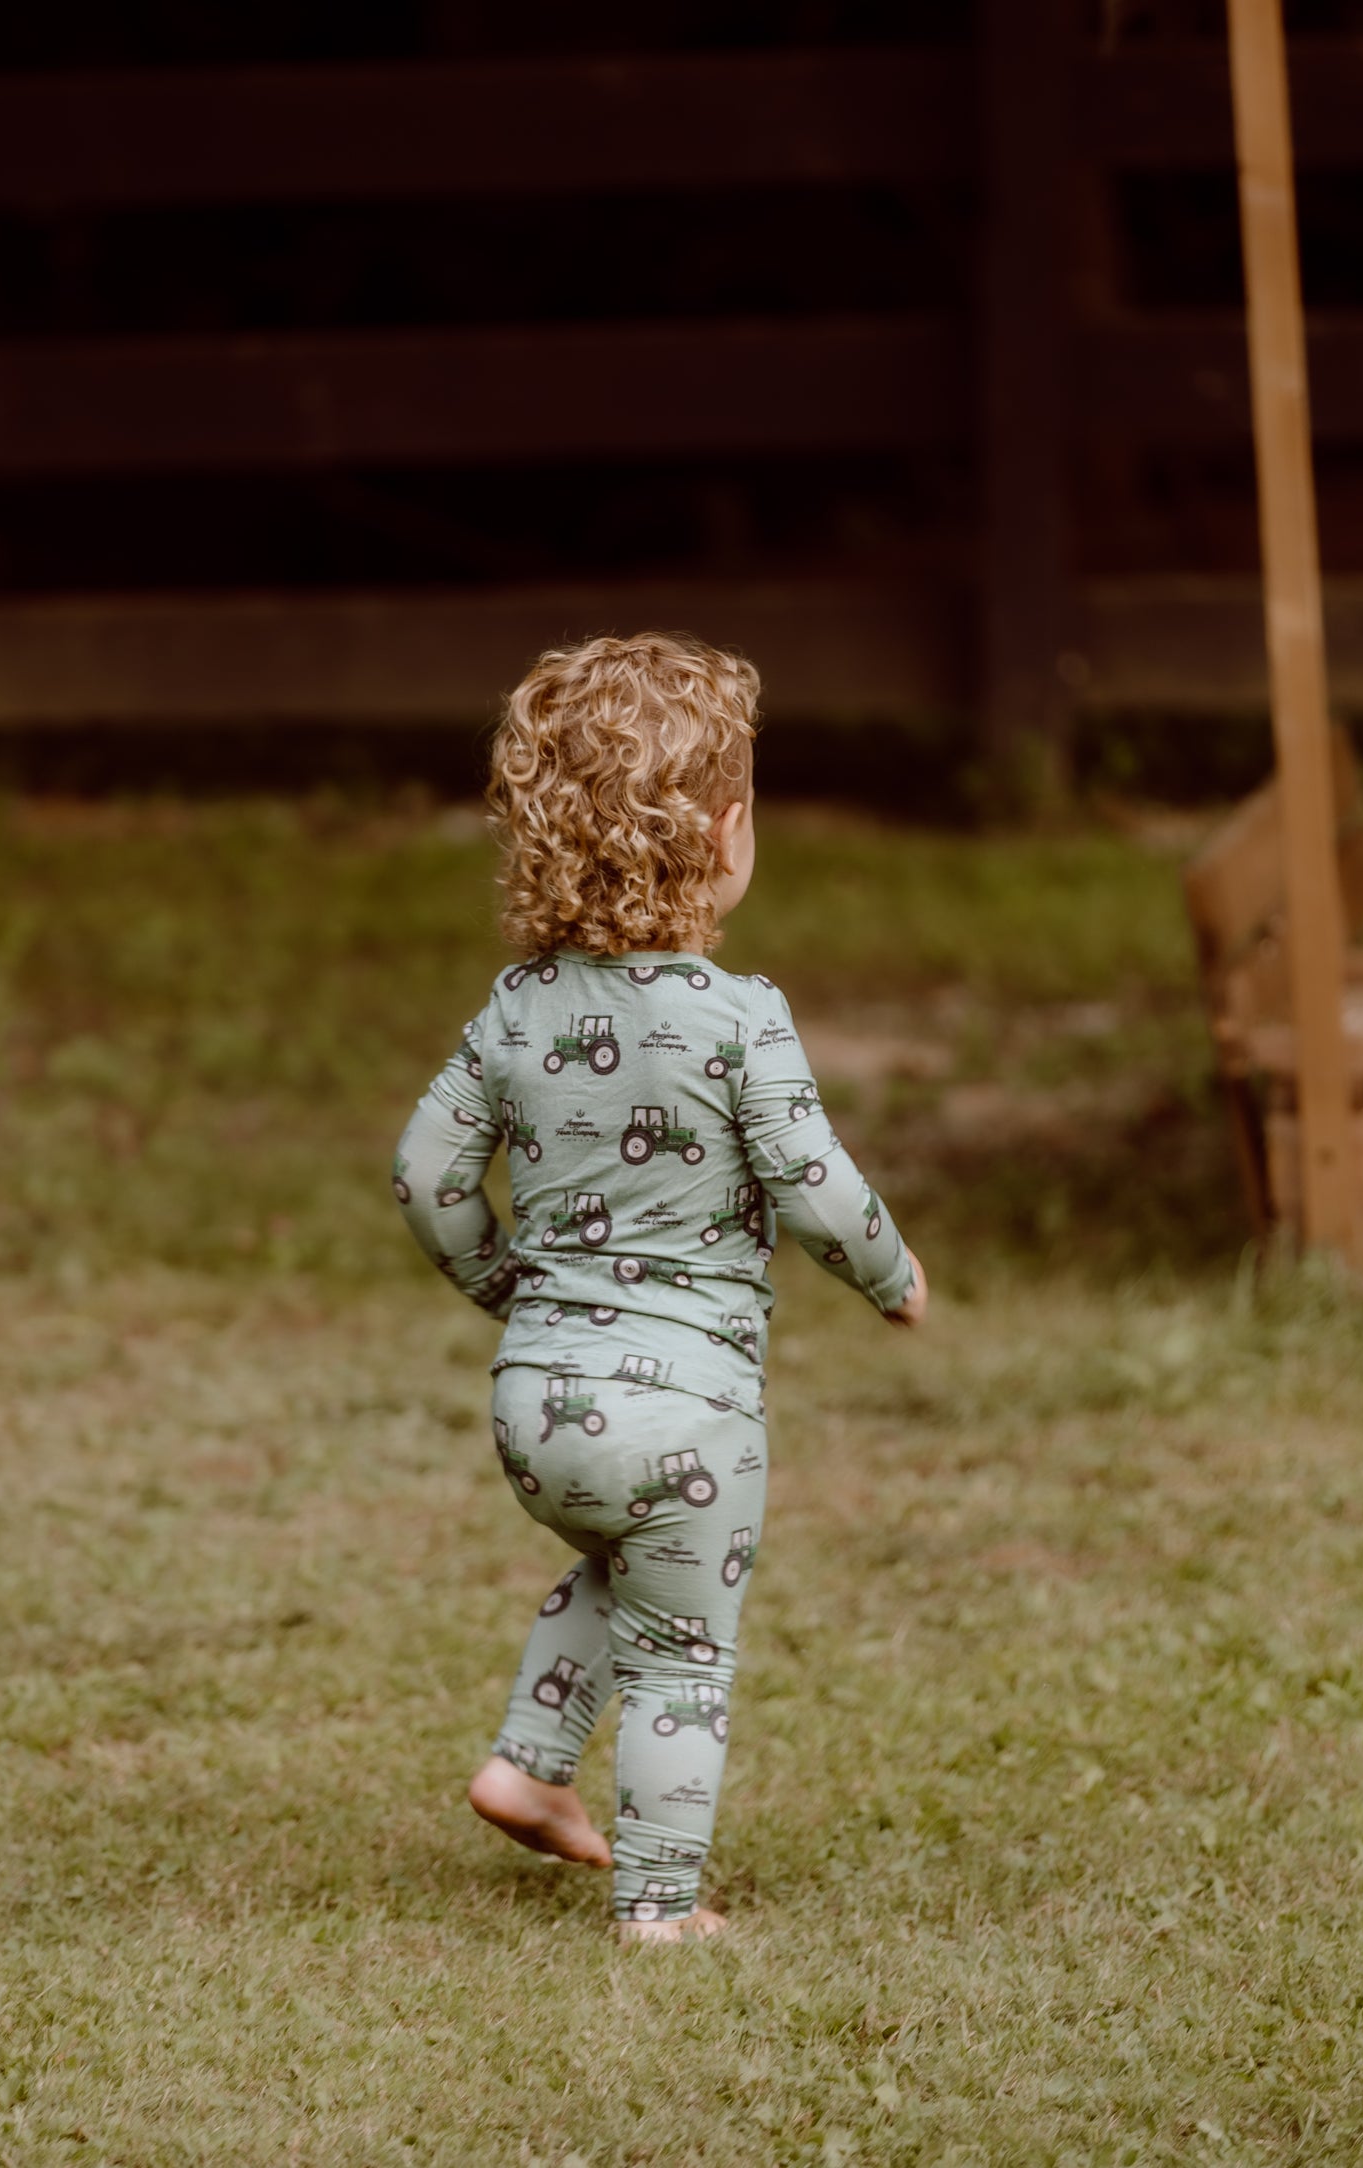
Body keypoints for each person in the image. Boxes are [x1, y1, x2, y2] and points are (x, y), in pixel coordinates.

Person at [392, 631, 927, 1943]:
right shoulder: (739, 1019)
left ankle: (525, 1765)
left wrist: (508, 1293)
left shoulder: (514, 1010)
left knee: (620, 1565)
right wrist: (891, 1272)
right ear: (729, 832)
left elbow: (424, 1174)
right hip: (686, 1414)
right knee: (683, 1660)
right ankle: (661, 1907)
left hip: (539, 1410)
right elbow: (812, 1185)